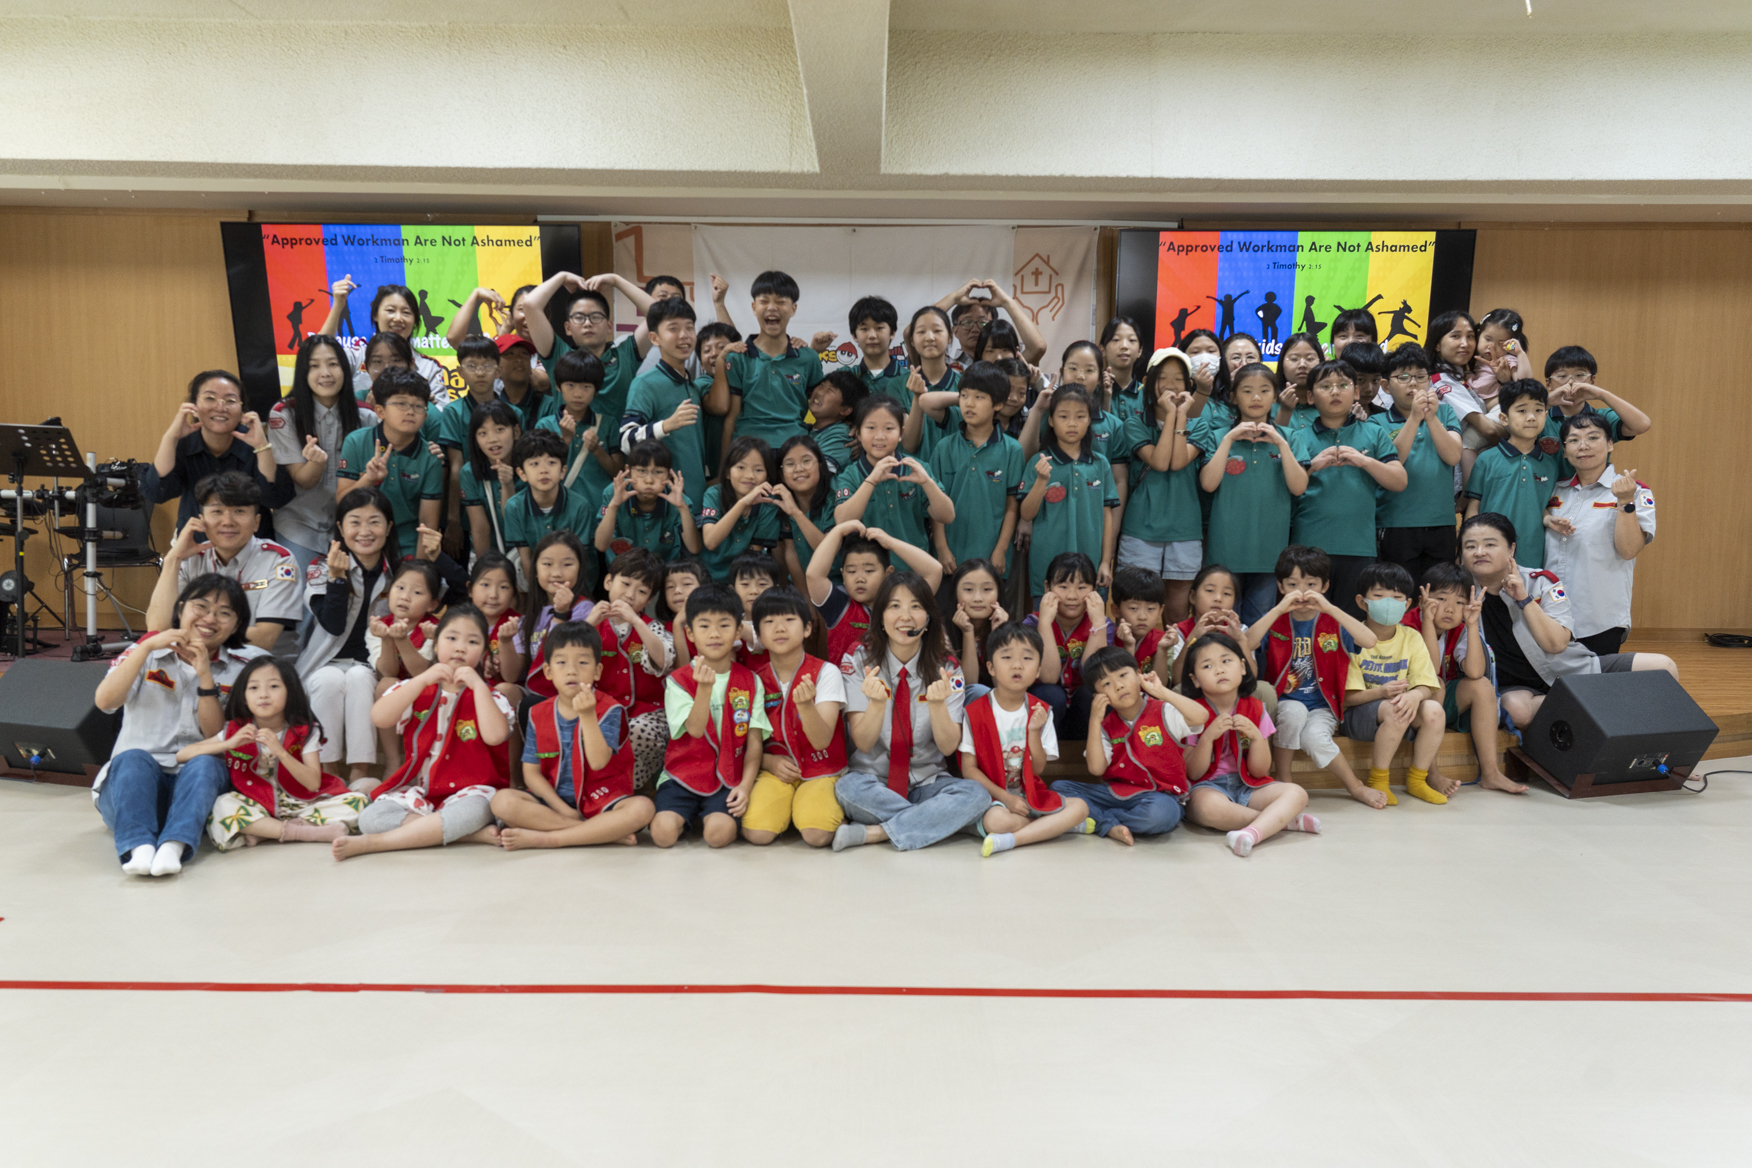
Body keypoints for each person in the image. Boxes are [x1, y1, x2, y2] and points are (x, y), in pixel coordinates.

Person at [92, 575, 268, 876]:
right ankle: (139, 848)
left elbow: (214, 736)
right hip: (130, 793)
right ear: (181, 607)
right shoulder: (145, 652)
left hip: (197, 794)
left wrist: (205, 677)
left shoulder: (244, 669)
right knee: (133, 758)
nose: (209, 618)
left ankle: (173, 847)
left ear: (236, 625)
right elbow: (105, 701)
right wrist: (145, 648)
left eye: (224, 613)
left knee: (206, 763)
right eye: (201, 606)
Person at [1459, 512, 1676, 729]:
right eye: (1470, 546)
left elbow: (1556, 644)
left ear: (1511, 549)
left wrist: (1524, 599)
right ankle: (1599, 709)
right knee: (1516, 711)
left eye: (1490, 544)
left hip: (1572, 672)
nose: (1480, 552)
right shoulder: (1457, 596)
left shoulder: (1542, 582)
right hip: (1517, 689)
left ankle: (1589, 711)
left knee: (1663, 667)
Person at [334, 606, 515, 860]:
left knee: (472, 812)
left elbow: (495, 736)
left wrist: (478, 685)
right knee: (370, 818)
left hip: (472, 792)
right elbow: (380, 717)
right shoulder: (417, 688)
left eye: (472, 642)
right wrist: (421, 679)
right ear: (436, 645)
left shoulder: (489, 696)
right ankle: (467, 835)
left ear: (484, 654)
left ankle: (376, 844)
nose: (460, 648)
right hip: (422, 791)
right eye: (451, 638)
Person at [833, 573, 986, 852]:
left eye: (916, 606)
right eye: (894, 606)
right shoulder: (857, 658)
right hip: (872, 781)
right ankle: (938, 820)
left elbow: (948, 747)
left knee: (976, 795)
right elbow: (863, 743)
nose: (905, 616)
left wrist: (937, 705)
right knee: (847, 789)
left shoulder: (947, 667)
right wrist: (876, 704)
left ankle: (878, 832)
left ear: (928, 618)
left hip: (928, 782)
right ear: (880, 617)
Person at [492, 621, 657, 850]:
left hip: (602, 800)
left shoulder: (610, 709)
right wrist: (562, 809)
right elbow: (531, 773)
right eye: (561, 662)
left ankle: (550, 839)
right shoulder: (537, 713)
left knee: (642, 808)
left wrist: (587, 715)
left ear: (597, 671)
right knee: (502, 802)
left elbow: (598, 762)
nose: (572, 670)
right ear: (548, 671)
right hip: (555, 803)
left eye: (583, 662)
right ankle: (598, 832)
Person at [1245, 545, 1384, 808]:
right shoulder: (1276, 620)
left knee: (1314, 738)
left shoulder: (1333, 621)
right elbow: (1247, 643)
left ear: (1324, 586)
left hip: (1324, 706)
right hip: (1285, 701)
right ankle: (1284, 779)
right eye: (1292, 584)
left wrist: (1330, 608)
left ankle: (1355, 786)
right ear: (1280, 586)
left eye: (1311, 584)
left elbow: (1369, 640)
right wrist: (1277, 609)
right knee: (1294, 712)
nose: (1301, 592)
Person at [189, 657, 365, 850]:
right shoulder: (236, 730)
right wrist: (228, 743)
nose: (263, 695)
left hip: (303, 803)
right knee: (223, 804)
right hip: (258, 804)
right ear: (244, 697)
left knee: (359, 802)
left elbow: (313, 783)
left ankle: (267, 831)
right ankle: (306, 832)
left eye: (274, 686)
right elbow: (183, 754)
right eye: (253, 688)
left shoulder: (304, 730)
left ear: (290, 692)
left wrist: (281, 753)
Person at [959, 623, 1094, 857]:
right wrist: (1007, 799)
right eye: (1007, 657)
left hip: (1030, 795)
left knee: (1081, 807)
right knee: (998, 822)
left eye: (1027, 658)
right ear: (991, 667)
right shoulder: (974, 712)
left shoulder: (1041, 711)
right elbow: (968, 769)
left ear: (1038, 669)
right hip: (995, 797)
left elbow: (1038, 769)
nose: (1017, 665)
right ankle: (1052, 827)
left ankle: (1013, 840)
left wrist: (1033, 732)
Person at [651, 584, 769, 849]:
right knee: (662, 834)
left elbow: (754, 744)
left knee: (718, 836)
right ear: (690, 633)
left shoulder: (751, 681)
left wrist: (745, 786)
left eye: (724, 625)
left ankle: (706, 817)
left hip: (729, 778)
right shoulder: (678, 681)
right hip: (682, 776)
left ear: (738, 631)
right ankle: (686, 815)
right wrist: (704, 690)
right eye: (704, 626)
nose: (714, 634)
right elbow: (694, 730)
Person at [1179, 633, 1317, 858]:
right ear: (1195, 679)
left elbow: (1260, 771)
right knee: (1205, 808)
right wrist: (1207, 738)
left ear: (1243, 667)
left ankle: (1251, 833)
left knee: (1297, 793)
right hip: (1207, 787)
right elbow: (1193, 773)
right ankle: (1279, 823)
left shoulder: (1257, 708)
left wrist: (1255, 737)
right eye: (1207, 666)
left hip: (1248, 786)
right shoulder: (1193, 713)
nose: (1219, 670)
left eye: (1226, 661)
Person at [1059, 644, 1212, 845]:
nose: (1118, 686)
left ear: (1139, 675)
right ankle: (1109, 824)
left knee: (1160, 815)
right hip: (1116, 794)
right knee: (1060, 788)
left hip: (1159, 797)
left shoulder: (1163, 710)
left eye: (1123, 675)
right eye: (1106, 684)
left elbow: (1201, 716)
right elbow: (1096, 768)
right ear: (1098, 696)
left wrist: (1162, 691)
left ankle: (1100, 820)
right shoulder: (1105, 726)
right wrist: (1094, 720)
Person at [298, 489, 399, 791]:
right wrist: (337, 577)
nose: (365, 531)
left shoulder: (397, 571)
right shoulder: (320, 566)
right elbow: (333, 624)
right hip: (323, 662)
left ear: (388, 528)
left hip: (369, 665)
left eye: (374, 522)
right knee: (328, 680)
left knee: (358, 678)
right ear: (341, 529)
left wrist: (434, 557)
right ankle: (328, 772)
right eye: (355, 522)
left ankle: (359, 773)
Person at [1288, 360, 1407, 616]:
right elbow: (1286, 488)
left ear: (1355, 392)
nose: (1334, 391)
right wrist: (1312, 466)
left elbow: (1399, 480)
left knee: (1350, 624)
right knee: (1307, 622)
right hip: (1308, 548)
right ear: (1310, 396)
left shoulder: (1374, 433)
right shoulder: (1298, 437)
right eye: (1325, 386)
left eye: (1343, 385)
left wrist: (1365, 461)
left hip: (1359, 548)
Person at [1192, 362, 1307, 624]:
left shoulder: (1290, 437)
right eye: (1247, 391)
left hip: (1269, 553)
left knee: (1258, 626)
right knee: (1220, 624)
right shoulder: (1218, 436)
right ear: (1233, 397)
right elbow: (1208, 484)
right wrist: (1229, 439)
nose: (1256, 397)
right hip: (1224, 552)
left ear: (1275, 396)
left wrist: (1280, 443)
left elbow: (1299, 487)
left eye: (1264, 390)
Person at [740, 587, 847, 847]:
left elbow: (821, 740)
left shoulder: (826, 672)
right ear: (758, 635)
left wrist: (806, 706)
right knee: (757, 833)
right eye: (768, 621)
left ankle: (816, 809)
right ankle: (791, 809)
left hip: (822, 769)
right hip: (776, 770)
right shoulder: (753, 680)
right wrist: (768, 762)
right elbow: (744, 741)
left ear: (807, 628)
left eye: (789, 619)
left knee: (816, 834)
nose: (779, 628)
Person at [1543, 414, 1656, 656]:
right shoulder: (1554, 490)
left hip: (1599, 618)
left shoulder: (1634, 491)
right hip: (1550, 614)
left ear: (1610, 444)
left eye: (1593, 438)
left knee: (1594, 679)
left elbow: (1629, 550)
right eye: (1574, 440)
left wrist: (1625, 501)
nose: (1583, 446)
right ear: (1565, 451)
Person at [1408, 562, 1525, 795]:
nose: (1450, 609)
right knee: (1436, 685)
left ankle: (1491, 773)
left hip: (1439, 703)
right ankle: (1430, 772)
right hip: (1409, 706)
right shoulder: (1406, 625)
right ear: (1422, 600)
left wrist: (1472, 625)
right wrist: (1428, 623)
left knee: (1481, 686)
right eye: (1442, 599)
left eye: (1460, 602)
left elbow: (1475, 672)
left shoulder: (1460, 628)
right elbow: (1429, 672)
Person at [150, 473, 301, 651]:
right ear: (201, 521)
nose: (228, 522)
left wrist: (200, 634)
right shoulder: (189, 558)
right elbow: (158, 629)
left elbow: (264, 638)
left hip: (259, 663)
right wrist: (172, 560)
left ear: (256, 522)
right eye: (217, 512)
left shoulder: (279, 561)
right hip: (194, 657)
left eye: (239, 511)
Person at [1341, 561, 1451, 805]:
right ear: (1362, 602)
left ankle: (1417, 780)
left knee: (1434, 710)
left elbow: (1426, 682)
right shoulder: (1350, 638)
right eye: (1379, 596)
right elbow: (1348, 698)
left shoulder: (1412, 637)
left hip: (1399, 713)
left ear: (1407, 604)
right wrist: (1382, 692)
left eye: (1397, 597)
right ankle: (1379, 780)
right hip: (1357, 718)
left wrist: (1415, 695)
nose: (1389, 603)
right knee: (1396, 708)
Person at [267, 335, 376, 571]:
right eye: (314, 366)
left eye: (333, 364)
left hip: (354, 525)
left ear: (345, 369)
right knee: (299, 591)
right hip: (299, 523)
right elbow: (303, 480)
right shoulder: (284, 413)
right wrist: (316, 463)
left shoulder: (367, 415)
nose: (325, 373)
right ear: (303, 373)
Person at [146, 370, 292, 538]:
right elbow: (157, 493)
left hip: (252, 544)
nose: (220, 407)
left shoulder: (256, 443)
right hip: (197, 542)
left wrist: (261, 446)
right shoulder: (183, 444)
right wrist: (170, 438)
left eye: (230, 400)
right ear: (193, 406)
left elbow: (277, 499)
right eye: (210, 398)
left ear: (242, 409)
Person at [1121, 347, 1206, 620]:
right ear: (1148, 382)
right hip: (1141, 526)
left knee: (1178, 606)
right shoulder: (1134, 424)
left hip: (1184, 527)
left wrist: (1180, 416)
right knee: (1136, 604)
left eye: (1179, 379)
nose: (1171, 385)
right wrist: (1172, 415)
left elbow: (1177, 461)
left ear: (1189, 385)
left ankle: (1175, 650)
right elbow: (1159, 462)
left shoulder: (1199, 424)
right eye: (1163, 378)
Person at [523, 271, 653, 447]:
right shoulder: (559, 355)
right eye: (579, 317)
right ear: (568, 328)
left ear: (609, 326)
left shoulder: (626, 355)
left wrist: (616, 280)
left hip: (617, 456)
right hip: (568, 454)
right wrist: (561, 277)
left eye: (596, 317)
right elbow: (530, 305)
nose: (587, 323)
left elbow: (656, 314)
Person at [582, 549, 673, 790]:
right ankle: (601, 789)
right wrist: (587, 625)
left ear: (649, 600)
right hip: (599, 711)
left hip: (646, 715)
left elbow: (663, 661)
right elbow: (566, 658)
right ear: (608, 582)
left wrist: (636, 621)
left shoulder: (650, 627)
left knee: (639, 730)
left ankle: (621, 790)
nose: (630, 595)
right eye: (625, 584)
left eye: (642, 591)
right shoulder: (592, 623)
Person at [1020, 385, 1120, 601]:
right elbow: (1027, 514)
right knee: (1046, 618)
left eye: (1080, 416)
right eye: (1063, 416)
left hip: (1090, 565)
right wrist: (1041, 481)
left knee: (1091, 619)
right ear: (1051, 420)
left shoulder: (1100, 463)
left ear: (1089, 420)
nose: (1072, 423)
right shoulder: (1039, 461)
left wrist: (1105, 561)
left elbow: (1107, 516)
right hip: (1047, 564)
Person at [1372, 343, 1463, 583]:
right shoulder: (1376, 422)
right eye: (1403, 377)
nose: (1413, 384)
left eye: (1421, 377)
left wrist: (1430, 418)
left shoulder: (1445, 414)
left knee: (1439, 593)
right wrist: (1414, 418)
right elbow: (1392, 463)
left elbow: (1453, 456)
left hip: (1441, 523)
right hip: (1395, 523)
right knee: (1399, 592)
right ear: (1386, 386)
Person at [806, 520, 945, 675]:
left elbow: (935, 571)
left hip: (893, 687)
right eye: (851, 571)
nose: (860, 578)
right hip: (847, 687)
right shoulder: (837, 604)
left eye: (869, 571)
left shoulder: (900, 602)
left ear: (888, 573)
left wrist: (891, 543)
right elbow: (813, 576)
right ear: (843, 574)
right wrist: (838, 531)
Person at [929, 361, 1024, 578]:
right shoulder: (944, 448)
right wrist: (942, 549)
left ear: (998, 404)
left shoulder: (1012, 450)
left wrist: (1001, 550)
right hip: (950, 559)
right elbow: (934, 503)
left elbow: (1012, 506)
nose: (969, 403)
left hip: (992, 559)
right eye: (964, 396)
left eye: (979, 397)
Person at [335, 367, 444, 557]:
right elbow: (342, 502)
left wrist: (418, 569)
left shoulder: (430, 457)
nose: (410, 411)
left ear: (425, 416)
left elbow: (427, 524)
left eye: (418, 406)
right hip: (362, 540)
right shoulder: (356, 442)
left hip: (408, 545)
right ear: (380, 411)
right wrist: (369, 480)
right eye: (401, 403)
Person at [619, 296, 715, 510]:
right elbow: (625, 440)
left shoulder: (692, 386)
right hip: (664, 504)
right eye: (673, 328)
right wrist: (666, 425)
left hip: (697, 498)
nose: (684, 335)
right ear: (654, 338)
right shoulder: (644, 384)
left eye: (689, 328)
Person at [713, 270, 823, 452]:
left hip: (794, 448)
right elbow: (732, 417)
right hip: (748, 449)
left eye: (781, 301)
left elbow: (823, 411)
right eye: (764, 301)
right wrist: (726, 464)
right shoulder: (738, 357)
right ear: (754, 307)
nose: (772, 307)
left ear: (793, 309)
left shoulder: (809, 357)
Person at [832, 396, 955, 556]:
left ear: (901, 434)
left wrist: (927, 482)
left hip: (914, 564)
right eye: (871, 428)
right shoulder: (850, 475)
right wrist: (871, 481)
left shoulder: (917, 468)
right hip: (868, 566)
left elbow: (947, 516)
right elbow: (842, 521)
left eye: (889, 428)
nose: (880, 436)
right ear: (858, 434)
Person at [1464, 379, 1558, 569]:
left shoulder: (1550, 464)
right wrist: (1466, 548)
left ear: (1546, 415)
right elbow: (1473, 509)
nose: (1531, 417)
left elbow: (1541, 506)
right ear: (1504, 418)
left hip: (1532, 559)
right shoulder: (1486, 459)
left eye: (1538, 410)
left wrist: (1549, 520)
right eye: (1522, 411)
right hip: (1487, 558)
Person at [1023, 552, 1115, 740]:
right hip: (1046, 710)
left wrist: (1097, 623)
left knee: (1093, 694)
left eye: (1082, 587)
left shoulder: (1104, 624)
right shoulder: (1032, 624)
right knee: (1051, 694)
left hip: (1082, 713)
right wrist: (1045, 624)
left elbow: (1093, 676)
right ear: (1047, 587)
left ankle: (1090, 750)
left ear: (1094, 590)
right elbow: (1048, 677)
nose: (1072, 596)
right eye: (1063, 587)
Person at [319, 279, 448, 401]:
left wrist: (423, 405)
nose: (398, 318)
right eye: (390, 311)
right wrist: (338, 304)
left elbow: (441, 412)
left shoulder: (429, 367)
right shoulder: (357, 356)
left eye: (406, 312)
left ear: (415, 320)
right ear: (375, 315)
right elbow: (321, 355)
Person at [531, 349, 619, 522]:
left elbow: (617, 473)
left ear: (596, 390)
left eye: (586, 387)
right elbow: (540, 474)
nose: (578, 394)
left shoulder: (608, 424)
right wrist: (564, 440)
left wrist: (597, 450)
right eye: (570, 385)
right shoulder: (544, 425)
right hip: (559, 513)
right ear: (558, 386)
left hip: (599, 512)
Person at [502, 430, 597, 588]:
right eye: (534, 464)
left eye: (551, 462)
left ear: (563, 471)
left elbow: (579, 559)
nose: (544, 470)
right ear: (522, 473)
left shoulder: (580, 506)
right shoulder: (514, 507)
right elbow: (526, 558)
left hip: (578, 583)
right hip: (538, 578)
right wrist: (538, 595)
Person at [509, 532, 595, 704]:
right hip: (534, 690)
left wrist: (560, 615)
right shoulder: (529, 616)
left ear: (580, 570)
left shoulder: (585, 609)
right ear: (535, 570)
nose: (557, 573)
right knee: (506, 691)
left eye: (567, 564)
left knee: (530, 703)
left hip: (571, 692)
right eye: (547, 564)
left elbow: (562, 656)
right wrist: (505, 642)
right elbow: (512, 675)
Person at [595, 441, 701, 562]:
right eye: (641, 471)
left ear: (669, 475)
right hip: (623, 570)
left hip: (663, 569)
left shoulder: (677, 498)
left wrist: (682, 507)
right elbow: (601, 546)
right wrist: (614, 505)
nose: (649, 480)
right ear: (628, 472)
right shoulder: (614, 493)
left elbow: (694, 548)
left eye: (658, 472)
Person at [700, 435, 785, 581]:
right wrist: (742, 503)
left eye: (759, 470)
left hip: (745, 577)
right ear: (727, 473)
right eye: (741, 467)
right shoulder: (714, 494)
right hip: (707, 575)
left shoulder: (768, 503)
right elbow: (710, 542)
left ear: (767, 477)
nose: (750, 475)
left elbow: (753, 554)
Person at [460, 401, 524, 572]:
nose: (492, 439)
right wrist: (485, 572)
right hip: (488, 553)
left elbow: (514, 523)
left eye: (500, 429)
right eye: (482, 433)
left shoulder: (530, 466)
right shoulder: (469, 473)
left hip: (525, 552)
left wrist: (508, 485)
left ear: (516, 432)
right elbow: (480, 529)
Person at [773, 435, 837, 581]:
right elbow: (792, 555)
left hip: (837, 583)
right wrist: (804, 595)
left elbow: (827, 551)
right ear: (782, 475)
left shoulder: (834, 501)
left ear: (820, 465)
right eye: (790, 464)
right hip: (804, 585)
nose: (799, 469)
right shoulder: (781, 503)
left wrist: (795, 513)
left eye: (806, 461)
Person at [949, 558, 1010, 699]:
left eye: (987, 589)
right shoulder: (942, 631)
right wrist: (967, 632)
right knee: (978, 691)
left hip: (998, 705)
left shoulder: (1009, 629)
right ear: (955, 593)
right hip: (955, 703)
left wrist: (1000, 634)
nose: (978, 598)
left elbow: (1006, 687)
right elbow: (966, 686)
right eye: (968, 590)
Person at [1110, 565, 1177, 686]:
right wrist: (1128, 646)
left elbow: (1161, 687)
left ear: (1160, 611)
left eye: (1150, 609)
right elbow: (1123, 685)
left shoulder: (1162, 640)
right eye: (1133, 608)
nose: (1142, 617)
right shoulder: (1108, 638)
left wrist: (1162, 650)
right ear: (1116, 610)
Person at [845, 294, 908, 397]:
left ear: (892, 333)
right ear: (854, 336)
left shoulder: (908, 378)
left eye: (879, 328)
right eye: (864, 329)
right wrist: (817, 351)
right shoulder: (845, 377)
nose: (872, 336)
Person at [805, 370, 864, 472]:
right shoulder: (806, 429)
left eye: (830, 390)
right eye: (821, 385)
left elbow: (817, 475)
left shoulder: (840, 434)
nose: (819, 392)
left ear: (845, 410)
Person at [1272, 333, 1326, 430]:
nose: (1302, 365)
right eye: (1294, 359)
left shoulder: (1330, 403)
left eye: (1310, 359)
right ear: (1282, 365)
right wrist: (1285, 411)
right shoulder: (1268, 403)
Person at [1100, 316, 1147, 420]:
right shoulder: (1093, 391)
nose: (1124, 346)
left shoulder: (1147, 394)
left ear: (1140, 351)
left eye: (1131, 340)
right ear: (1102, 349)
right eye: (1116, 340)